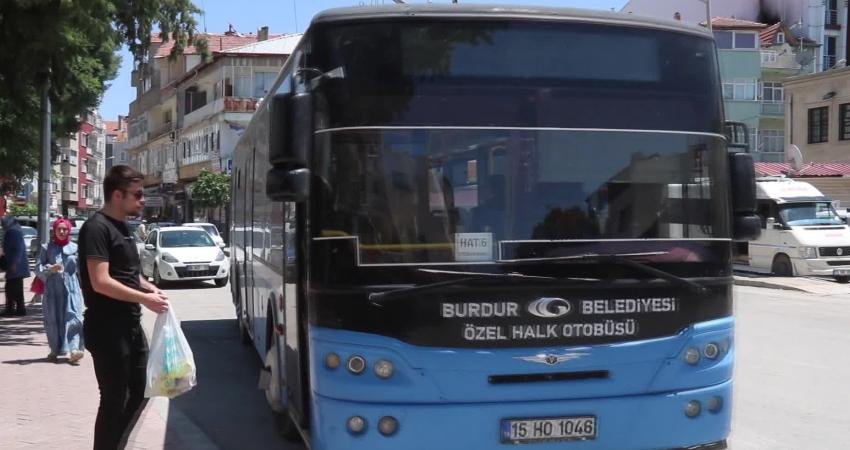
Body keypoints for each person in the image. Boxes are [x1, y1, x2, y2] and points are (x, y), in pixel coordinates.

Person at [79, 165, 169, 450]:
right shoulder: (96, 228)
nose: (142, 200)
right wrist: (144, 298)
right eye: (137, 194)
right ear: (117, 195)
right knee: (114, 400)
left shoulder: (123, 227)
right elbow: (101, 281)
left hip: (129, 324)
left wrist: (147, 287)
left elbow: (127, 273)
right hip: (107, 328)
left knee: (140, 390)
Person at [36, 217, 85, 364]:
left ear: (69, 230)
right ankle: (54, 349)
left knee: (74, 317)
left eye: (65, 229)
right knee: (53, 319)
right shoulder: (47, 248)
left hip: (72, 289)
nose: (62, 231)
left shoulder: (75, 248)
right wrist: (50, 269)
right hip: (53, 290)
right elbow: (38, 268)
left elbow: (82, 269)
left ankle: (74, 349)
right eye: (59, 229)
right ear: (54, 231)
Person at [1, 215, 31, 317]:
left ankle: (10, 310)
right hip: (18, 266)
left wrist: (14, 263)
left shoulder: (12, 232)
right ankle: (20, 309)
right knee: (17, 289)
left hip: (15, 266)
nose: (2, 225)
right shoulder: (16, 231)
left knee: (10, 288)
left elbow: (18, 249)